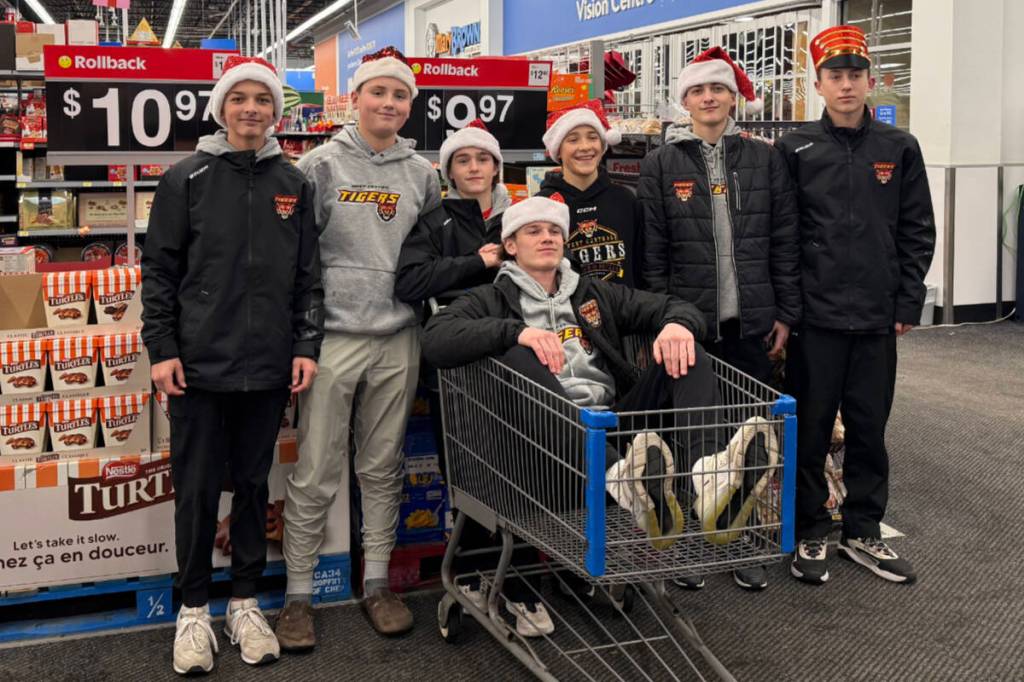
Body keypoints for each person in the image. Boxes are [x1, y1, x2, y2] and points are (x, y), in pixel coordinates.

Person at [423, 195, 776, 618]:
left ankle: (709, 478)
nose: (547, 237)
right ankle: (625, 482)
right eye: (533, 231)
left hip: (613, 429)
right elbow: (435, 339)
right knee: (519, 355)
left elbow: (675, 306)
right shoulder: (490, 299)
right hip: (541, 446)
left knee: (686, 351)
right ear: (511, 246)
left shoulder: (593, 293)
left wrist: (677, 325)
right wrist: (516, 332)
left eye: (554, 231)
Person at [141, 55, 323, 675]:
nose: (251, 109)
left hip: (268, 364)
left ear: (275, 112)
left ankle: (244, 603)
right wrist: (162, 348)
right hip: (197, 364)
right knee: (195, 489)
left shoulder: (294, 183)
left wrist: (305, 345)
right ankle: (192, 609)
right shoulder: (185, 178)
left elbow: (308, 276)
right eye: (239, 98)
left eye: (262, 99)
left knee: (252, 484)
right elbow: (159, 271)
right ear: (221, 108)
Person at [275, 46, 442, 646]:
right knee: (316, 468)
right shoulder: (319, 165)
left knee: (381, 466)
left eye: (400, 95)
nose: (388, 103)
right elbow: (298, 257)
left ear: (410, 106)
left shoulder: (423, 175)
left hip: (398, 337)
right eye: (379, 92)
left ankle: (377, 583)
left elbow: (432, 255)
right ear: (357, 98)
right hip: (333, 338)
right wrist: (303, 331)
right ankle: (298, 595)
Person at [775, 25, 935, 586]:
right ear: (818, 84)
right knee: (811, 429)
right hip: (813, 319)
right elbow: (783, 235)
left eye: (854, 75)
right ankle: (810, 529)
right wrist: (787, 309)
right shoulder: (794, 148)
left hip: (875, 316)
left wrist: (908, 299)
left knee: (869, 426)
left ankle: (863, 529)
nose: (846, 85)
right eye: (834, 76)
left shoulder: (899, 147)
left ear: (871, 82)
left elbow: (917, 229)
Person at [638, 46, 801, 591]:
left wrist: (784, 312)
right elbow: (653, 251)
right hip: (689, 326)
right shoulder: (662, 164)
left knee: (747, 429)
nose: (708, 98)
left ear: (733, 98)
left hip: (752, 319)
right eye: (697, 91)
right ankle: (689, 534)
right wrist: (661, 319)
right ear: (684, 101)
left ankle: (736, 535)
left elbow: (784, 238)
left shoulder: (764, 159)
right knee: (693, 429)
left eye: (718, 89)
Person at [394, 119, 539, 623]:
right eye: (463, 160)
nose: (474, 168)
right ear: (448, 171)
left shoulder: (520, 216)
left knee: (524, 466)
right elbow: (410, 281)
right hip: (457, 364)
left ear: (497, 167)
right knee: (468, 470)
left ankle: (519, 577)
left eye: (482, 159)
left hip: (519, 359)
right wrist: (476, 263)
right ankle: (474, 574)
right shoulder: (435, 221)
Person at [535, 99, 642, 288]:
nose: (585, 147)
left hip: (624, 306)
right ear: (558, 150)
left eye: (592, 138)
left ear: (602, 146)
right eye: (573, 139)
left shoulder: (625, 200)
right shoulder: (541, 206)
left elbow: (642, 266)